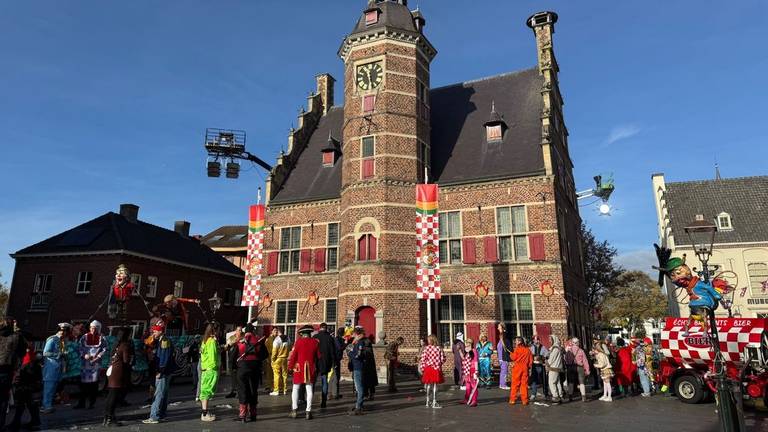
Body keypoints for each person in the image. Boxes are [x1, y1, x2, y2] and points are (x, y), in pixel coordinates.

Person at [142, 321, 176, 424]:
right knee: (164, 393)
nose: (153, 333)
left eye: (155, 331)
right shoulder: (161, 340)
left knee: (159, 394)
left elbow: (164, 358)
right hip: (167, 370)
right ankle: (162, 414)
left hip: (163, 371)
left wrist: (160, 371)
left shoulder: (164, 341)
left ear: (160, 331)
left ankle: (154, 416)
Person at [235, 324, 266, 422]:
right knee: (253, 390)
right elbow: (265, 354)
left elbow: (233, 356)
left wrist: (235, 367)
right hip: (255, 368)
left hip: (242, 367)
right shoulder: (258, 340)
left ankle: (242, 414)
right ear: (253, 331)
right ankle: (253, 414)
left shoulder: (240, 341)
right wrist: (257, 360)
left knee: (242, 390)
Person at [289, 325, 320, 420]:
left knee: (296, 388)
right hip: (310, 368)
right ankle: (308, 411)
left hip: (299, 368)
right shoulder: (315, 342)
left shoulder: (298, 342)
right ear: (310, 333)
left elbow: (294, 356)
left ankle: (294, 410)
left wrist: (290, 367)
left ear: (302, 333)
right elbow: (319, 356)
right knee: (309, 390)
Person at [103, 327, 133, 427]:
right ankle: (110, 419)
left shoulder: (116, 344)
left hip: (112, 370)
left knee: (110, 394)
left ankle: (106, 417)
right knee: (114, 396)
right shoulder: (125, 345)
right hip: (119, 372)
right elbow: (126, 360)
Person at [75, 320, 108, 410]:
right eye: (92, 328)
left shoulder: (102, 338)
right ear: (89, 328)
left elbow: (104, 349)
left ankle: (91, 403)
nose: (93, 330)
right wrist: (84, 355)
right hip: (85, 364)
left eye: (95, 328)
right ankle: (81, 403)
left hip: (96, 364)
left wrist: (98, 357)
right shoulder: (84, 337)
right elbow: (79, 347)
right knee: (83, 385)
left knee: (93, 385)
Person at [0, 316, 25, 427]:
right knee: (3, 398)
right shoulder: (16, 337)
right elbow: (22, 352)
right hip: (6, 370)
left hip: (6, 369)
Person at [42, 323, 71, 414]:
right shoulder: (52, 339)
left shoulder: (63, 341)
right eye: (61, 331)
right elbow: (45, 353)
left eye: (65, 331)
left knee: (53, 388)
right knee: (49, 388)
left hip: (58, 368)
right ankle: (46, 406)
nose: (63, 333)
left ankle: (48, 405)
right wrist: (58, 354)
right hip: (51, 368)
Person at [312, 323, 337, 408]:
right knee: (324, 381)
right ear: (326, 328)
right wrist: (334, 362)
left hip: (315, 362)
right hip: (326, 362)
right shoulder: (330, 338)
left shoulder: (315, 337)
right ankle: (323, 401)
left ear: (319, 328)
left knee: (312, 382)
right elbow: (332, 351)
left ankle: (310, 400)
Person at [199, 323, 220, 422]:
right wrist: (216, 367)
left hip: (204, 369)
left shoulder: (204, 341)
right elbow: (213, 357)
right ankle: (204, 414)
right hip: (210, 369)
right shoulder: (211, 342)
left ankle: (205, 412)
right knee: (207, 392)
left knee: (204, 392)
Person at [419, 334, 445, 409]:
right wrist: (438, 363)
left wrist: (422, 368)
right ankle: (434, 402)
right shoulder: (439, 348)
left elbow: (423, 359)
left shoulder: (426, 348)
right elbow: (443, 359)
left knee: (428, 385)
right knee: (435, 385)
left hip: (428, 368)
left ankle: (427, 401)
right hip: (436, 368)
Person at [347, 328, 368, 415]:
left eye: (353, 334)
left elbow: (357, 355)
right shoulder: (356, 342)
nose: (352, 336)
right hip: (356, 366)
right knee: (358, 387)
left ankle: (358, 406)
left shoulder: (360, 343)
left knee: (359, 388)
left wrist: (350, 354)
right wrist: (351, 345)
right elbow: (348, 349)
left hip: (358, 367)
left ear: (356, 334)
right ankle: (359, 405)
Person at [509, 337, 533, 406]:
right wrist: (528, 367)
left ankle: (513, 399)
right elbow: (531, 361)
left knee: (515, 384)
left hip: (517, 368)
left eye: (516, 341)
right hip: (525, 368)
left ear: (519, 342)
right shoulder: (528, 350)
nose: (515, 342)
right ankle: (525, 400)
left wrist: (511, 354)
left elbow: (513, 357)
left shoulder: (517, 349)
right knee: (524, 384)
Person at [545, 335, 565, 405]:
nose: (549, 341)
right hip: (557, 367)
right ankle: (560, 396)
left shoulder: (555, 349)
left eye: (550, 339)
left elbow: (551, 359)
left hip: (553, 368)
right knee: (557, 382)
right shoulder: (557, 348)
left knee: (552, 383)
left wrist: (546, 361)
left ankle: (556, 397)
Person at [270, 327, 289, 396]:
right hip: (285, 358)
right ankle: (285, 389)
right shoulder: (288, 338)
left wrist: (272, 359)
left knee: (276, 374)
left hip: (278, 359)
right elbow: (290, 347)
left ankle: (276, 390)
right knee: (284, 374)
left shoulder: (277, 339)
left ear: (278, 331)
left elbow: (274, 351)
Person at [529, 335, 549, 400]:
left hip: (541, 365)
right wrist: (533, 357)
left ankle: (545, 394)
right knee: (534, 380)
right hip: (534, 366)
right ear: (533, 340)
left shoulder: (543, 347)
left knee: (543, 380)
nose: (537, 341)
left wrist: (541, 357)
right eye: (535, 339)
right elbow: (529, 356)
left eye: (537, 339)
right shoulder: (531, 347)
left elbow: (547, 355)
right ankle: (533, 394)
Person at [225, 326, 242, 399]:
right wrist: (228, 345)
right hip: (232, 360)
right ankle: (233, 391)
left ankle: (239, 392)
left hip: (239, 360)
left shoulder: (243, 338)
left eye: (241, 330)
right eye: (239, 330)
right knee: (233, 377)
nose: (240, 331)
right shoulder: (232, 338)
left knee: (239, 377)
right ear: (236, 331)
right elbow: (226, 348)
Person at [461, 338, 479, 407]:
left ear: (470, 343)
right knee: (467, 385)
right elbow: (464, 359)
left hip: (472, 370)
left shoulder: (474, 351)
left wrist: (476, 371)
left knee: (473, 385)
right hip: (466, 370)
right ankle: (467, 398)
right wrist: (460, 351)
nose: (466, 344)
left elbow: (475, 361)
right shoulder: (467, 351)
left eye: (467, 342)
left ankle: (474, 400)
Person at [360, 333, 378, 401]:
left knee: (366, 381)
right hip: (371, 366)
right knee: (371, 382)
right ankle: (371, 394)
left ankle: (366, 394)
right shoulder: (369, 347)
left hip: (366, 366)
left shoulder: (364, 347)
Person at [330, 328, 346, 399]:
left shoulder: (338, 339)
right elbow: (340, 348)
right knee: (335, 376)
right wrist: (346, 344)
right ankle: (334, 393)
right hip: (335, 360)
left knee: (336, 376)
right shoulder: (337, 339)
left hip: (336, 359)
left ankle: (335, 392)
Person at [185, 335, 201, 402]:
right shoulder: (193, 346)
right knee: (195, 375)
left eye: (198, 338)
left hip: (200, 361)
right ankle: (195, 386)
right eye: (197, 338)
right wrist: (188, 362)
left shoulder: (201, 344)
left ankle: (198, 387)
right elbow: (189, 354)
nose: (198, 340)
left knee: (199, 375)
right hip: (195, 362)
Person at [496, 324, 511, 390]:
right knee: (504, 371)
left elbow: (508, 346)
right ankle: (503, 384)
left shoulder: (504, 336)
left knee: (503, 371)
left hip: (503, 357)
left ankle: (502, 384)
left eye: (499, 326)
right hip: (502, 357)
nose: (497, 328)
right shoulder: (501, 339)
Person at [263, 327, 275, 392]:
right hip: (269, 357)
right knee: (269, 373)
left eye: (276, 331)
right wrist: (267, 358)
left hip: (275, 357)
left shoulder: (277, 339)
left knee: (274, 373)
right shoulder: (268, 339)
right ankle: (268, 386)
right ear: (272, 331)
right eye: (274, 331)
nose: (276, 332)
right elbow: (265, 349)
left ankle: (274, 386)